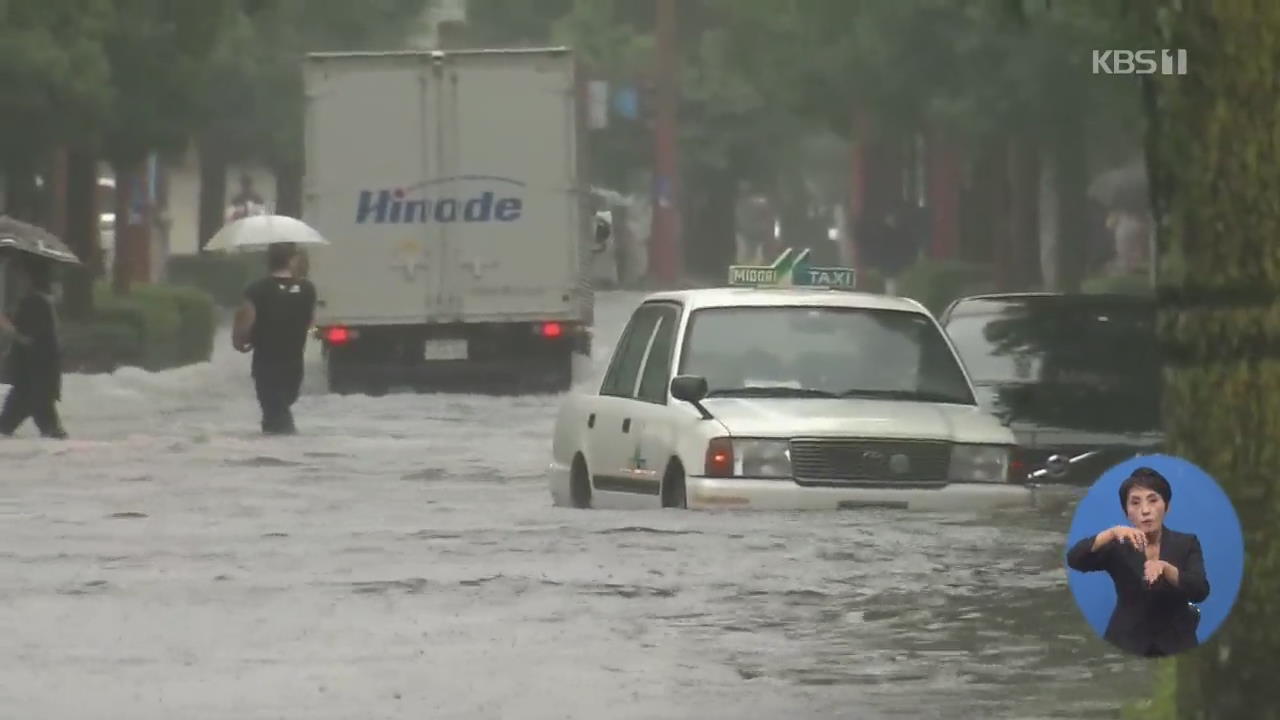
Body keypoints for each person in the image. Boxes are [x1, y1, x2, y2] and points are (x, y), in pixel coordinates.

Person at [1066, 467, 1209, 657]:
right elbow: (1075, 559)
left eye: (1153, 500)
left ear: (1166, 506)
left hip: (1177, 645)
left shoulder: (1186, 543)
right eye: (1135, 503)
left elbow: (1200, 590)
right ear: (1127, 513)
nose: (1145, 511)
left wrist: (1166, 569)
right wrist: (1111, 533)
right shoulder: (1118, 545)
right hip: (1126, 643)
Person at [233, 242, 316, 435]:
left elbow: (246, 321)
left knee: (275, 412)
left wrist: (239, 341)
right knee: (280, 409)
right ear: (291, 260)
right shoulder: (307, 289)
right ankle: (282, 452)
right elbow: (311, 323)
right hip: (295, 363)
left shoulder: (256, 290)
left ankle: (282, 451)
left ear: (268, 262)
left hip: (266, 363)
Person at [0, 256, 68, 439]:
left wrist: (8, 328)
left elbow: (29, 338)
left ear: (30, 278)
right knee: (42, 414)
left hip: (33, 373)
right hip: (39, 373)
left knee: (19, 414)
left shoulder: (33, 303)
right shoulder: (44, 301)